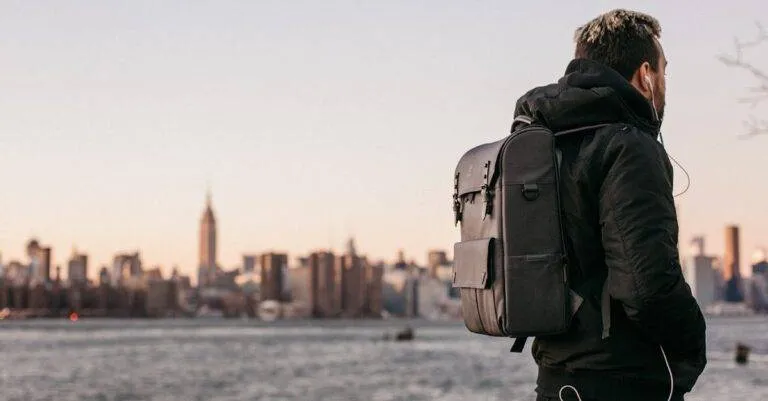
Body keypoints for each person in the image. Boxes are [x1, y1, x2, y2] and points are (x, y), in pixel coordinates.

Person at [511, 9, 707, 401]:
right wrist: (691, 350)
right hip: (622, 384)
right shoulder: (629, 146)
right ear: (645, 75)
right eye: (665, 72)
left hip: (553, 381)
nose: (665, 84)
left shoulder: (540, 142)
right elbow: (647, 286)